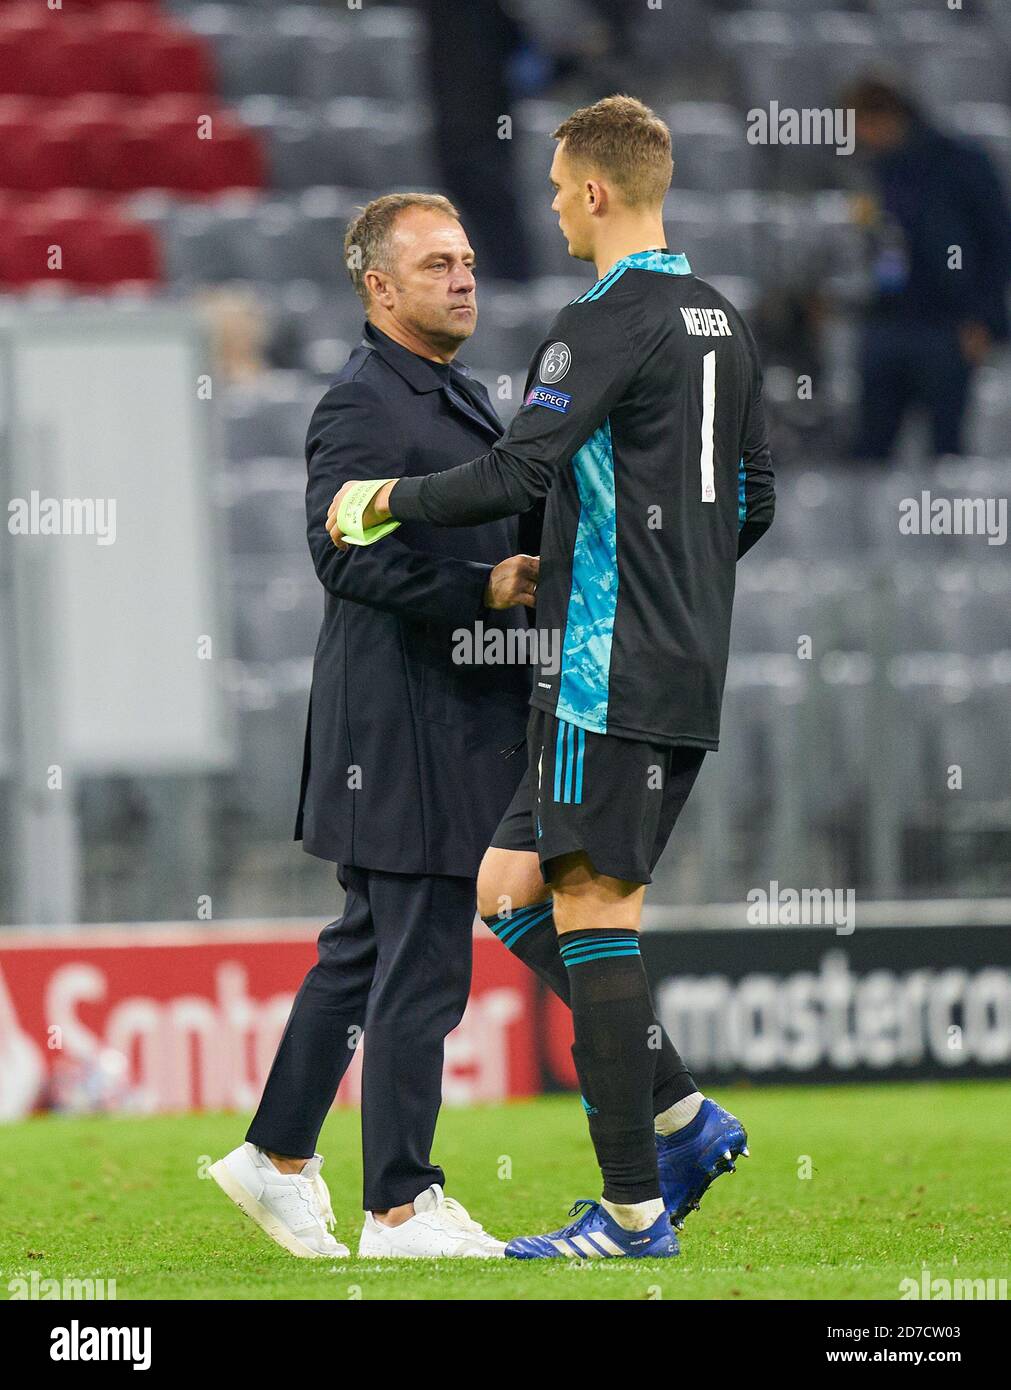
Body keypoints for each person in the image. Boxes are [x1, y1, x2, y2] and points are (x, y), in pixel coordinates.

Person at [326, 96, 775, 1259]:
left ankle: (632, 1212)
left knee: (590, 911)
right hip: (678, 659)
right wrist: (676, 578)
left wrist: (380, 503)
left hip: (602, 671)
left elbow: (513, 468)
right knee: (509, 888)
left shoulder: (600, 321)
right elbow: (754, 499)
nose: (551, 212)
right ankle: (678, 1115)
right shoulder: (723, 319)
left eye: (553, 191)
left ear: (589, 193)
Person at [210, 193, 540, 1259]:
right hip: (403, 729)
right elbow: (343, 553)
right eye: (438, 262)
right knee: (421, 963)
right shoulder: (361, 403)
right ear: (379, 286)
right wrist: (480, 590)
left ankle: (275, 1156)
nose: (463, 277)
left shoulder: (450, 393)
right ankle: (399, 1203)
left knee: (364, 953)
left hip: (437, 716)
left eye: (470, 259)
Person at [843, 76, 1011, 459]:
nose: (861, 137)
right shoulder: (871, 173)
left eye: (863, 125)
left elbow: (999, 241)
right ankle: (874, 520)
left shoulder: (961, 163)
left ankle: (943, 520)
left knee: (946, 451)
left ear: (887, 117)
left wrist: (982, 316)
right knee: (870, 449)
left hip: (949, 326)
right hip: (886, 323)